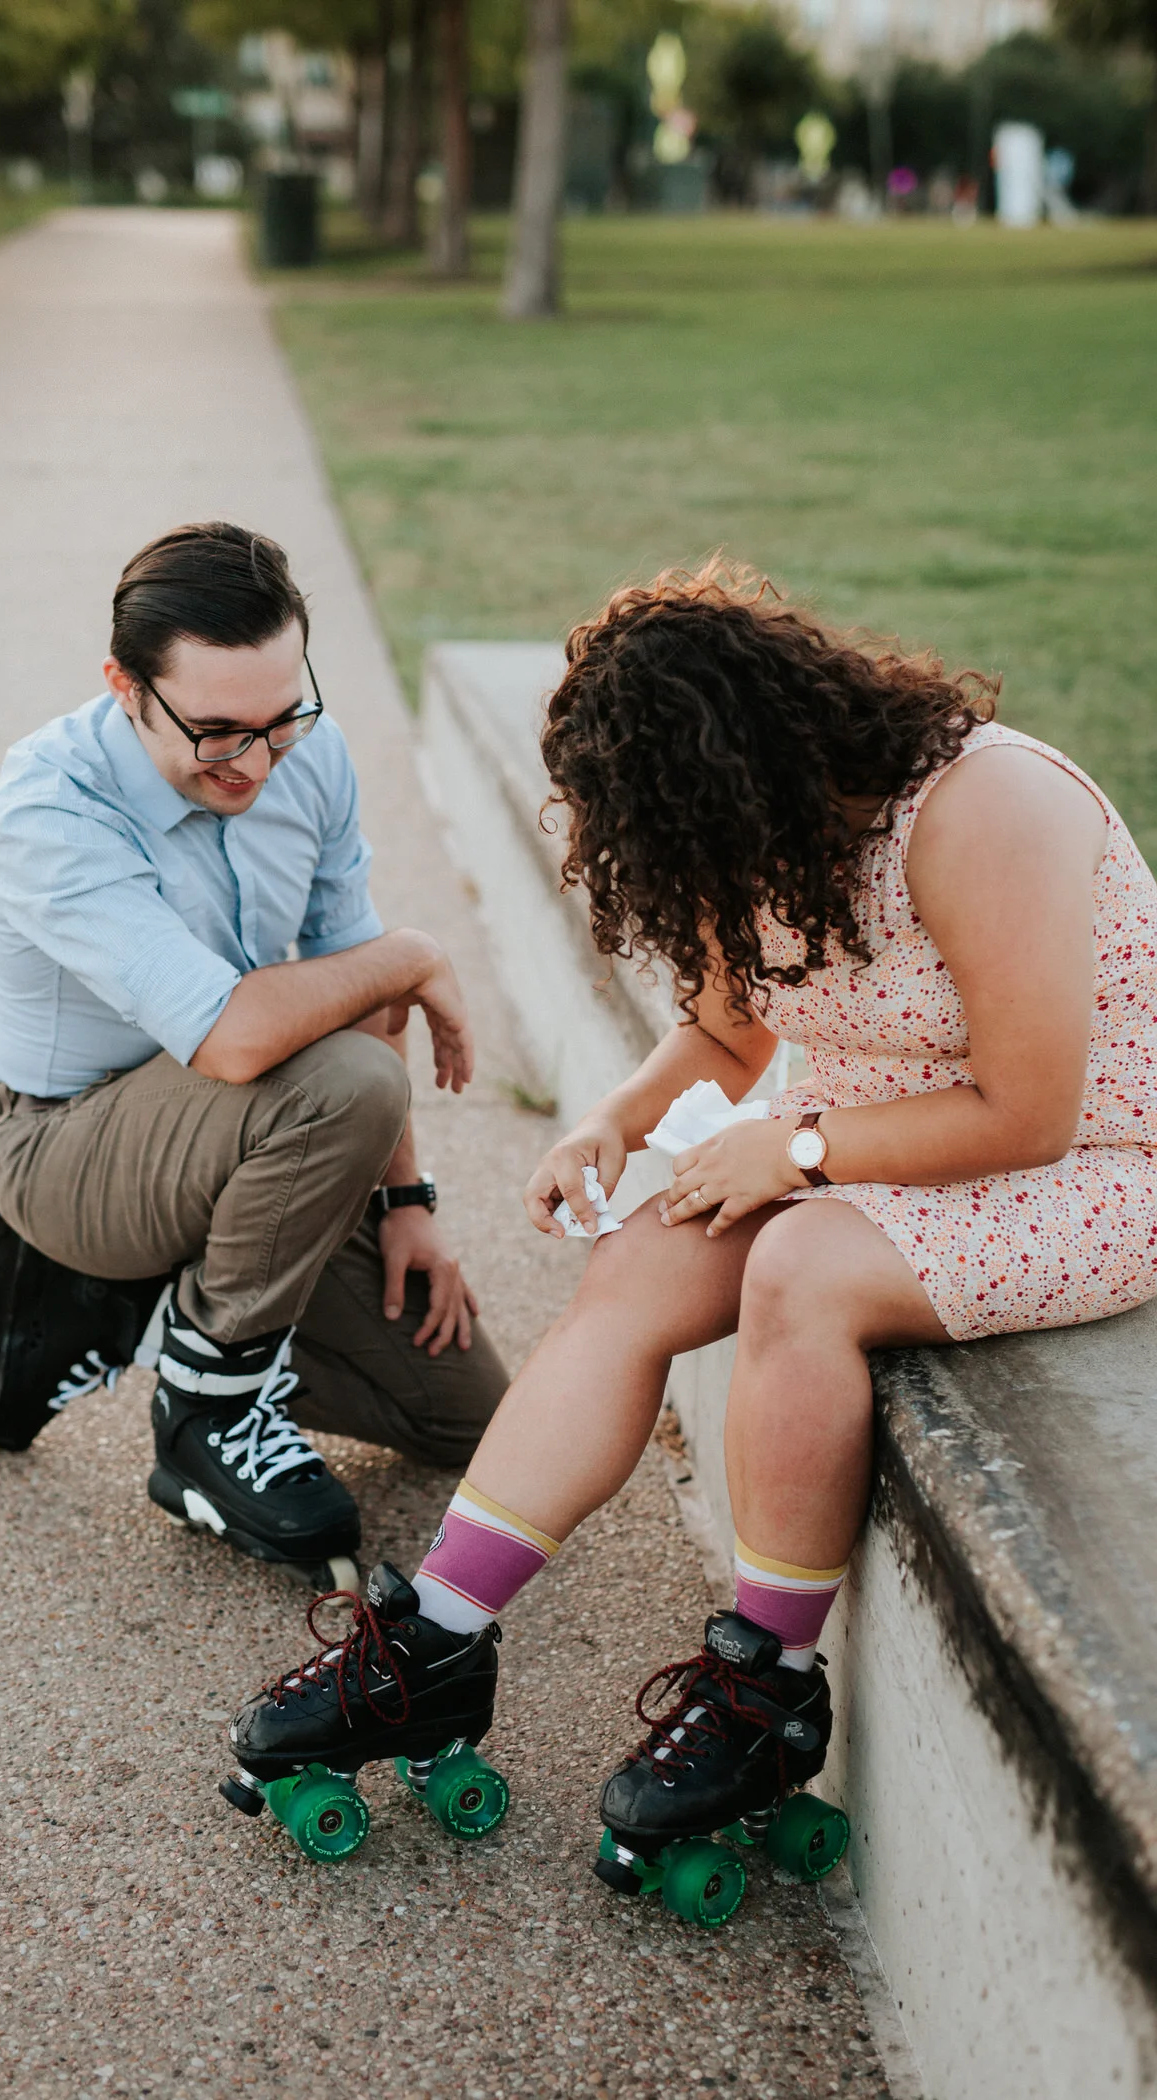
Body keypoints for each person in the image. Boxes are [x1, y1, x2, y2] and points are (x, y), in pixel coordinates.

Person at [226, 561, 1157, 1876]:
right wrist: (611, 1119)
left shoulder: (983, 808)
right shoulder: (760, 830)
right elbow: (731, 1025)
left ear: (755, 754)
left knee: (800, 1267)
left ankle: (767, 1690)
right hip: (867, 1148)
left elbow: (1029, 1111)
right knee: (641, 1265)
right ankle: (434, 1640)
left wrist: (800, 1148)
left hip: (1096, 1170)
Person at [0, 521, 506, 1590]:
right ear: (123, 685)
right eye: (215, 731)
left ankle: (114, 1312)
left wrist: (406, 1205)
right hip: (71, 1154)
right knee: (334, 1077)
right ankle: (204, 1417)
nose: (253, 761)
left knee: (457, 1413)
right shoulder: (50, 803)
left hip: (249, 1145)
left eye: (278, 717)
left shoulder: (312, 755)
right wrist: (412, 954)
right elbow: (242, 1035)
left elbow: (360, 1001)